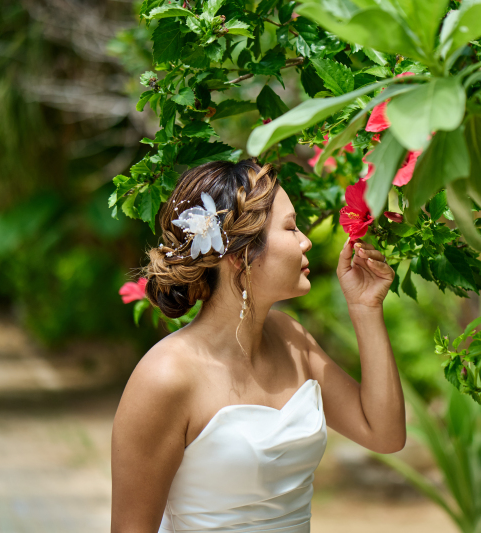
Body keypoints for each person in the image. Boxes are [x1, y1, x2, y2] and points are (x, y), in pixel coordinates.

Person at [111, 159, 406, 533]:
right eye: (290, 227)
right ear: (240, 257)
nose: (305, 240)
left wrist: (365, 308)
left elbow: (385, 434)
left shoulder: (292, 338)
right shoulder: (165, 378)